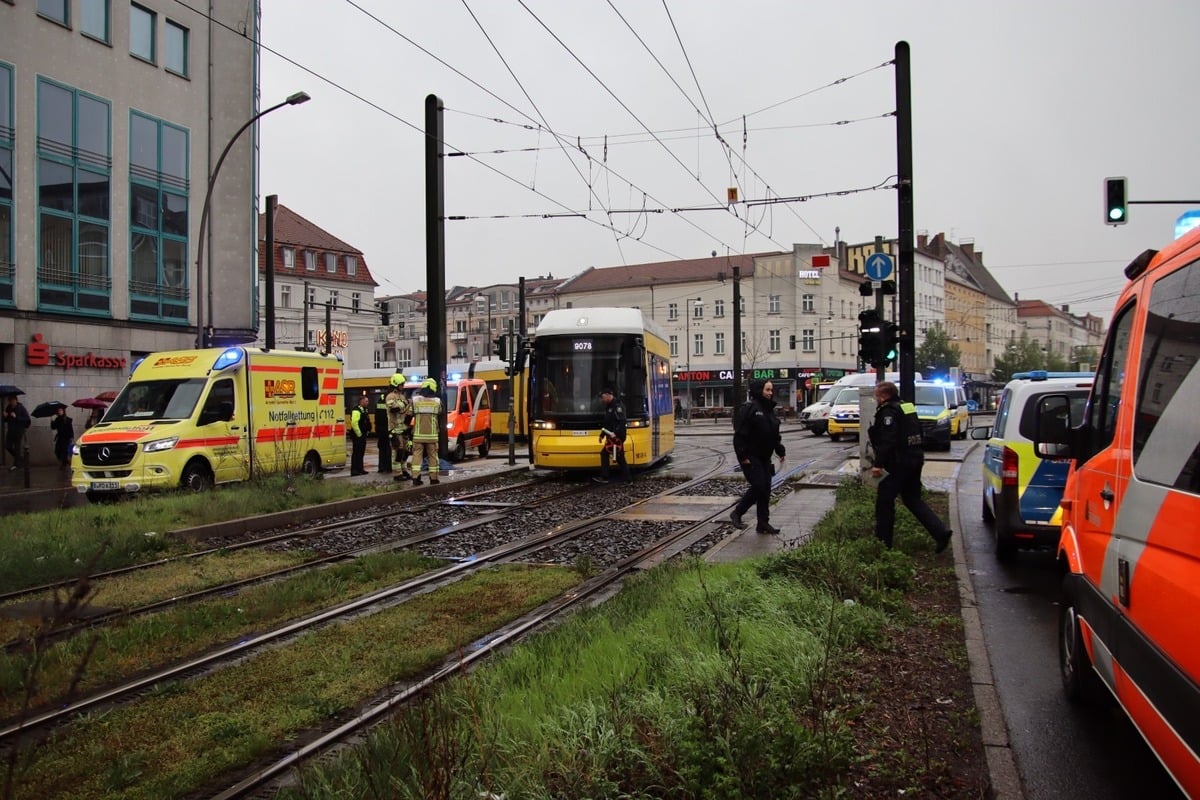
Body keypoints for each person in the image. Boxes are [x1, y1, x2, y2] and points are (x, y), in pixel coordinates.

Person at [867, 381, 952, 553]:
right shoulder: (907, 407)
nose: (876, 398)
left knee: (884, 502)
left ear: (883, 396)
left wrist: (878, 464)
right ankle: (940, 532)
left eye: (877, 395)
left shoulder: (888, 412)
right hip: (915, 459)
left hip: (897, 464)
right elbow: (918, 433)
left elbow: (888, 440)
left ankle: (883, 545)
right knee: (912, 499)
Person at [730, 379, 786, 534]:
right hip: (751, 457)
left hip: (764, 458)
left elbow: (774, 435)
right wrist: (743, 456)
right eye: (767, 390)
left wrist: (780, 451)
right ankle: (738, 512)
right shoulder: (749, 409)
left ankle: (763, 523)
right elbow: (739, 436)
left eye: (771, 390)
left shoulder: (769, 410)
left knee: (765, 490)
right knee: (759, 485)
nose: (770, 393)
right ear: (759, 390)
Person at [593, 388, 632, 484]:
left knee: (611, 455)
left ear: (608, 395)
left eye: (603, 397)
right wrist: (602, 434)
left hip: (616, 437)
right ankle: (627, 479)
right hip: (612, 436)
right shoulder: (610, 406)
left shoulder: (617, 406)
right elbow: (608, 423)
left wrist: (615, 433)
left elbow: (622, 421)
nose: (602, 400)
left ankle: (606, 477)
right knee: (618, 457)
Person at [410, 378, 442, 485]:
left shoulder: (415, 400)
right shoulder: (437, 401)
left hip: (418, 435)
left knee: (417, 456)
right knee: (432, 456)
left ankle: (415, 477)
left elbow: (408, 414)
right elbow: (440, 414)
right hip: (432, 435)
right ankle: (434, 478)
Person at [385, 374, 413, 482]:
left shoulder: (401, 396)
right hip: (394, 429)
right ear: (396, 384)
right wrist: (405, 403)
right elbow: (393, 408)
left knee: (406, 451)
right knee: (398, 452)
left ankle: (404, 470)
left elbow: (405, 410)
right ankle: (397, 474)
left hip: (403, 428)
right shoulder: (390, 396)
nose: (403, 386)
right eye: (402, 384)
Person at [3, 395, 31, 470]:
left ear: (16, 400)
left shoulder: (21, 408)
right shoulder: (8, 408)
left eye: (13, 401)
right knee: (7, 446)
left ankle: (16, 464)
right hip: (10, 430)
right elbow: (6, 420)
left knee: (17, 447)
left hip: (18, 430)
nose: (12, 402)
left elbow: (27, 419)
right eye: (11, 401)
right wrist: (5, 417)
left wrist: (16, 417)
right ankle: (20, 459)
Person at [349, 394, 372, 476]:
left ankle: (360, 469)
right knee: (356, 453)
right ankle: (354, 470)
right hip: (358, 436)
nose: (368, 402)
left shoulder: (364, 410)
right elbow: (354, 423)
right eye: (366, 401)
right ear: (361, 401)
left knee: (361, 453)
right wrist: (359, 434)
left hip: (363, 435)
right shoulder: (356, 410)